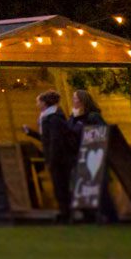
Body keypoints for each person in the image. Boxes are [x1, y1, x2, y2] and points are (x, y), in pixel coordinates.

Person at [30, 90, 80, 220]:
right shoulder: (52, 116)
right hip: (57, 157)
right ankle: (65, 211)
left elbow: (54, 140)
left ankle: (66, 212)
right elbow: (47, 138)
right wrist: (31, 133)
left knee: (61, 184)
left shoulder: (53, 118)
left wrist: (52, 159)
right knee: (60, 184)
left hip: (58, 159)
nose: (37, 104)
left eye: (38, 102)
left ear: (44, 103)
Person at [72, 91, 119, 225]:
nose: (73, 101)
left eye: (75, 98)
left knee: (101, 188)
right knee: (92, 188)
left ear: (82, 101)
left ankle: (111, 217)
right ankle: (99, 216)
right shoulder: (78, 116)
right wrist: (75, 118)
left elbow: (101, 132)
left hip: (96, 156)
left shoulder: (93, 116)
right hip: (85, 157)